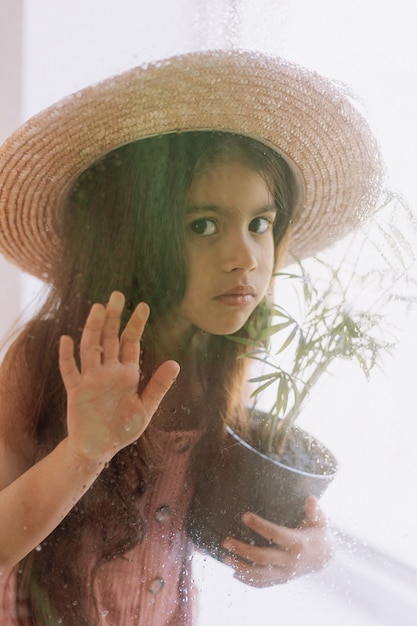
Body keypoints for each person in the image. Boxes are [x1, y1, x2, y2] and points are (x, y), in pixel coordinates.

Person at [0, 50, 382, 625]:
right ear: (133, 236)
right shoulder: (50, 356)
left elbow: (193, 520)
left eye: (260, 223)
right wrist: (84, 452)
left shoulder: (225, 356)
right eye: (203, 225)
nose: (245, 258)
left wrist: (312, 550)